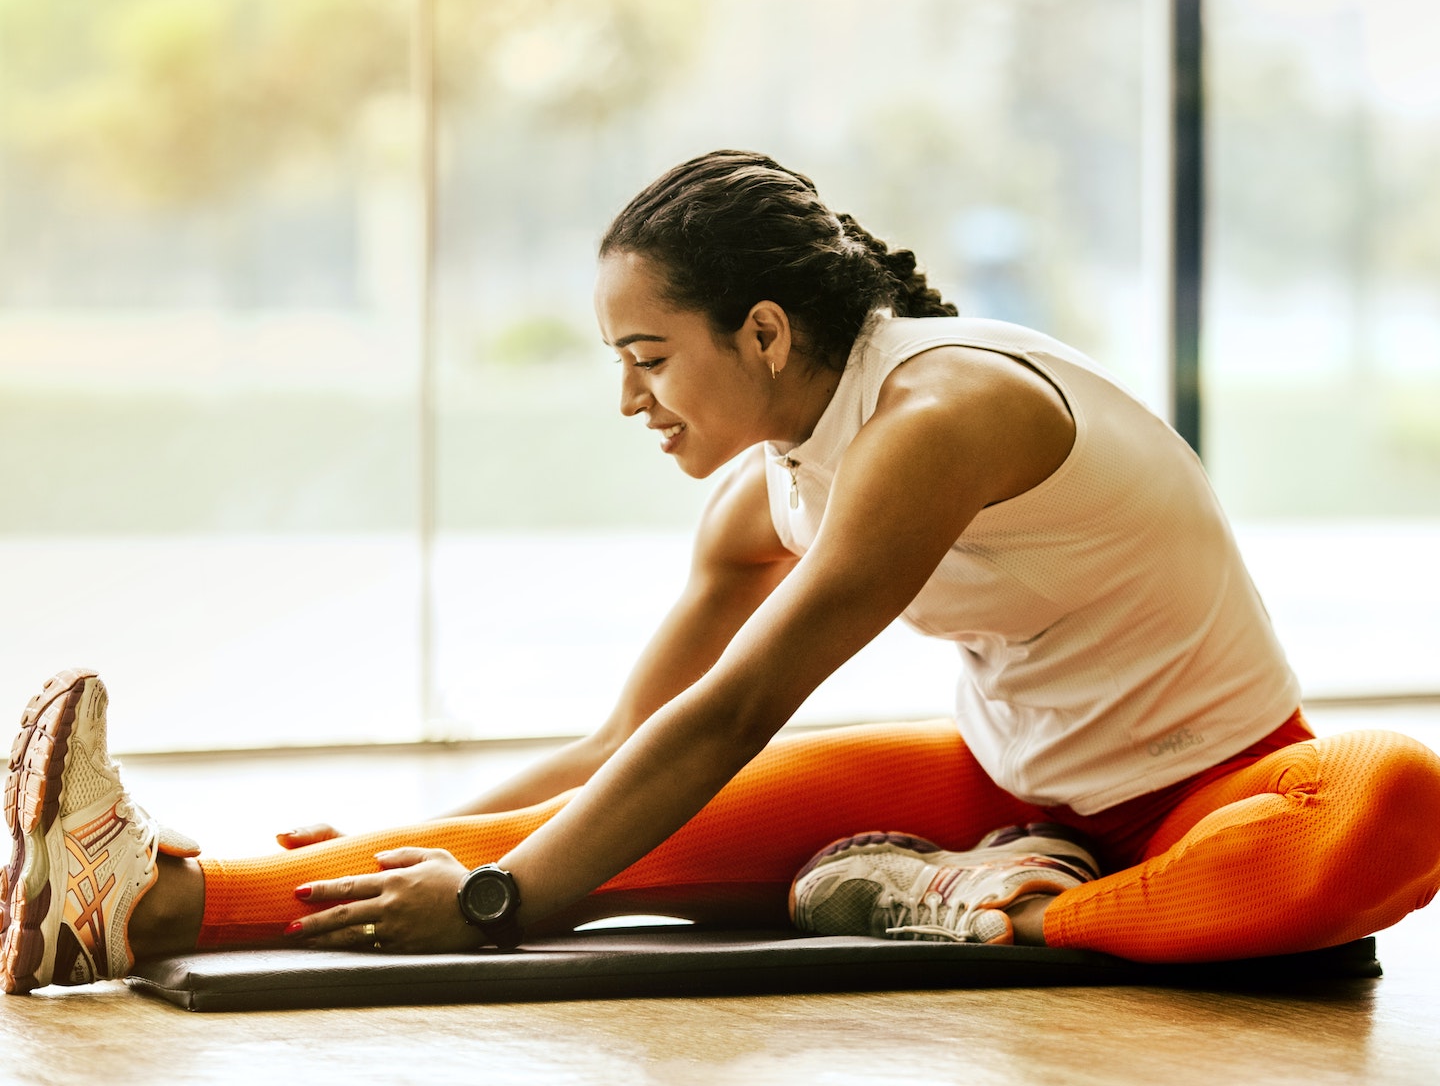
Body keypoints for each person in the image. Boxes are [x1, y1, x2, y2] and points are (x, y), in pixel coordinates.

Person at [5, 151, 1440, 996]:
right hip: (1005, 790)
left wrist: (510, 905)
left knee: (1398, 800)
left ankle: (1009, 909)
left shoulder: (945, 419)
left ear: (761, 333)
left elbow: (741, 706)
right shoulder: (770, 489)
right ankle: (131, 899)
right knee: (609, 818)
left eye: (649, 358)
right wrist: (375, 849)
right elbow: (620, 752)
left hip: (1222, 791)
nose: (632, 402)